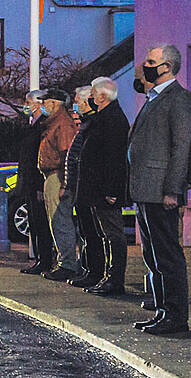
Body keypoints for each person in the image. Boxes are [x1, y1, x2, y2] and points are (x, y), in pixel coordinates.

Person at [129, 44, 191, 335]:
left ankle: (176, 316)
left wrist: (173, 189)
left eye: (151, 61)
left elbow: (182, 148)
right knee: (152, 255)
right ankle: (161, 309)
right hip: (145, 189)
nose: (145, 65)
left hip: (160, 190)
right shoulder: (153, 98)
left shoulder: (178, 99)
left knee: (167, 254)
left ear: (166, 66)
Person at [81, 77, 130, 296]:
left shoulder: (113, 120)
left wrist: (111, 190)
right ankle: (107, 277)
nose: (90, 97)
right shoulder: (104, 118)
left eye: (92, 93)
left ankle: (114, 279)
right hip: (98, 187)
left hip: (105, 189)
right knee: (105, 233)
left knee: (113, 235)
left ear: (102, 96)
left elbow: (114, 157)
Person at [61, 86, 104, 289]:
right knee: (86, 232)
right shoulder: (85, 125)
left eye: (78, 100)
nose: (75, 104)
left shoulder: (93, 124)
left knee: (93, 233)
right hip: (80, 187)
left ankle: (95, 271)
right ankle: (88, 269)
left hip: (88, 187)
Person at [37, 88, 79, 281]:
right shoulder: (55, 123)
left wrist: (64, 183)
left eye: (46, 102)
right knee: (57, 221)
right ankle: (64, 261)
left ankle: (67, 264)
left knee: (60, 221)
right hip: (53, 176)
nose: (43, 106)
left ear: (55, 103)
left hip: (57, 176)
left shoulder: (61, 124)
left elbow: (66, 155)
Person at [19, 90, 55, 274]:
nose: (25, 105)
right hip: (30, 182)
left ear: (37, 104)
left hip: (37, 182)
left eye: (27, 102)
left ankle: (46, 260)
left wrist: (41, 186)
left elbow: (43, 157)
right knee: (34, 222)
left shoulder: (43, 126)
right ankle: (41, 259)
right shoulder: (34, 124)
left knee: (41, 223)